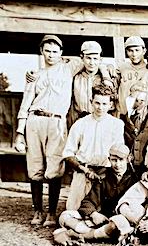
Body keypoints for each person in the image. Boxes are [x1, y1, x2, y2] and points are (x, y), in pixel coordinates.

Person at [14, 35, 110, 226]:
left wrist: (106, 75)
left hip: (57, 121)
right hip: (35, 120)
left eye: (55, 51)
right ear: (41, 52)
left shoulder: (69, 67)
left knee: (55, 167)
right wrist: (19, 132)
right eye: (47, 51)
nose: (51, 55)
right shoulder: (35, 75)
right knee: (35, 168)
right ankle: (38, 212)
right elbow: (25, 103)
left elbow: (93, 60)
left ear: (61, 53)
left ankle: (51, 213)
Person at [54, 144, 138, 245]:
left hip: (122, 219)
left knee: (116, 225)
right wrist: (93, 214)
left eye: (121, 160)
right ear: (109, 159)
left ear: (128, 159)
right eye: (114, 160)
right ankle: (95, 234)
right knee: (65, 215)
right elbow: (88, 201)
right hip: (103, 219)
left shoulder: (135, 178)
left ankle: (78, 235)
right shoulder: (104, 177)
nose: (117, 164)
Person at [63, 84, 124, 210]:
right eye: (97, 103)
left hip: (106, 175)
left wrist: (106, 172)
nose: (100, 107)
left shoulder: (117, 125)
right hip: (83, 172)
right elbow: (68, 154)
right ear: (91, 102)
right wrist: (84, 169)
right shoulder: (80, 124)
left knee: (101, 214)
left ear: (110, 105)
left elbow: (119, 153)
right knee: (73, 212)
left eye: (104, 104)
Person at [69, 41, 116, 127]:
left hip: (101, 121)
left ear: (100, 60)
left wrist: (105, 72)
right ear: (82, 58)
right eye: (88, 58)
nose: (91, 62)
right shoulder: (76, 77)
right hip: (79, 120)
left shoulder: (107, 76)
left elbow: (113, 101)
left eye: (95, 59)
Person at [121, 88, 148, 176]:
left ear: (147, 101)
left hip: (146, 165)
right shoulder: (122, 119)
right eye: (136, 100)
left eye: (142, 100)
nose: (139, 104)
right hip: (128, 166)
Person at [116, 36, 148, 116]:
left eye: (137, 50)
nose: (134, 54)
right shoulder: (122, 68)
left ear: (144, 51)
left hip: (142, 116)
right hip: (123, 114)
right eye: (130, 51)